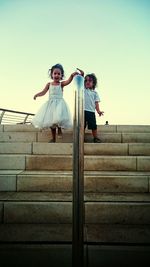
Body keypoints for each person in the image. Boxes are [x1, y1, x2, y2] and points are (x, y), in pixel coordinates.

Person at [32, 63, 78, 142]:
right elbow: (43, 92)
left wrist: (72, 76)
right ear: (52, 75)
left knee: (58, 119)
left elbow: (68, 81)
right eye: (55, 73)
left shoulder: (61, 84)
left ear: (61, 75)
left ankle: (59, 129)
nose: (57, 75)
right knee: (51, 123)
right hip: (51, 105)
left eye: (58, 74)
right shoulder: (49, 84)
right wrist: (37, 95)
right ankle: (53, 138)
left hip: (59, 104)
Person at [77, 68, 104, 143]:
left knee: (93, 126)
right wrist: (82, 74)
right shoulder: (83, 89)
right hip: (82, 111)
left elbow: (96, 103)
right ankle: (80, 138)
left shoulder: (95, 93)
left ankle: (95, 138)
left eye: (90, 81)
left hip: (91, 112)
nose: (87, 82)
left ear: (94, 83)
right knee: (82, 126)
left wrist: (98, 111)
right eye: (86, 80)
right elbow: (81, 81)